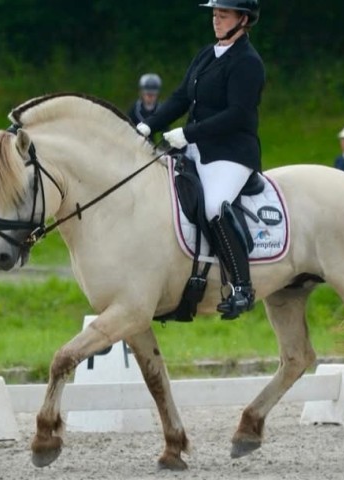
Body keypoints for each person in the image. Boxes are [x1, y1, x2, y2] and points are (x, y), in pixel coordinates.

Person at [136, 0, 264, 320]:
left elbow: (237, 114)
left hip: (231, 153)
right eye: (214, 14)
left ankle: (242, 287)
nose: (216, 20)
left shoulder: (248, 62)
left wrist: (189, 133)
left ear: (243, 19)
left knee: (214, 207)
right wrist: (147, 125)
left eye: (223, 15)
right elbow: (181, 97)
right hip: (196, 148)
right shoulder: (207, 54)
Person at [127, 73, 163, 137]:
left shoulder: (161, 109)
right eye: (148, 94)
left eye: (153, 95)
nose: (150, 97)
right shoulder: (135, 109)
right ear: (142, 93)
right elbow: (128, 127)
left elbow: (165, 130)